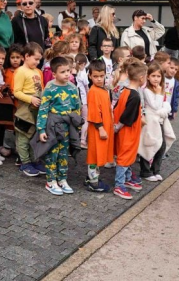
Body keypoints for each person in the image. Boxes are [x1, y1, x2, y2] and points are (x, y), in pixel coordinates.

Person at [34, 55, 81, 195]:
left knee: (64, 154)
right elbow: (43, 109)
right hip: (52, 126)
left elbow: (76, 109)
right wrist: (41, 129)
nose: (67, 74)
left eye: (68, 70)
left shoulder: (73, 88)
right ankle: (51, 181)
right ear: (54, 73)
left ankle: (62, 179)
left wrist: (76, 127)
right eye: (63, 72)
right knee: (52, 153)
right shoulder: (50, 88)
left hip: (67, 127)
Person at [112, 59, 146, 200]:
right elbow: (127, 116)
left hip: (124, 131)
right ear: (142, 78)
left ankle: (126, 178)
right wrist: (117, 127)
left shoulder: (125, 91)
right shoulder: (135, 95)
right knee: (125, 157)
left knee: (127, 155)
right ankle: (119, 185)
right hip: (128, 131)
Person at [138, 62, 174, 182]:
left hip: (159, 121)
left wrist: (165, 108)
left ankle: (155, 169)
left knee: (161, 145)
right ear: (148, 76)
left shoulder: (160, 88)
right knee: (149, 143)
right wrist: (158, 94)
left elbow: (165, 103)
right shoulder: (147, 90)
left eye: (158, 76)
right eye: (153, 76)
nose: (156, 79)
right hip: (150, 121)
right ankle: (145, 171)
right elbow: (155, 105)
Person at [13, 42, 44, 176]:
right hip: (25, 111)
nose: (37, 62)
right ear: (26, 56)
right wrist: (30, 99)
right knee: (23, 138)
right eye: (36, 59)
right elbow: (16, 92)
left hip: (37, 110)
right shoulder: (20, 71)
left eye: (39, 60)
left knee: (34, 137)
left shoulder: (38, 71)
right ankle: (25, 162)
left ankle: (34, 160)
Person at [84, 60, 114, 193]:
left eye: (101, 76)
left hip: (103, 127)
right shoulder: (94, 91)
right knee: (94, 155)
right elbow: (94, 113)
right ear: (90, 76)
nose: (99, 79)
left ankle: (91, 178)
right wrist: (100, 127)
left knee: (97, 154)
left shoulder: (102, 90)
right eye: (95, 76)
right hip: (98, 129)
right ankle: (93, 182)